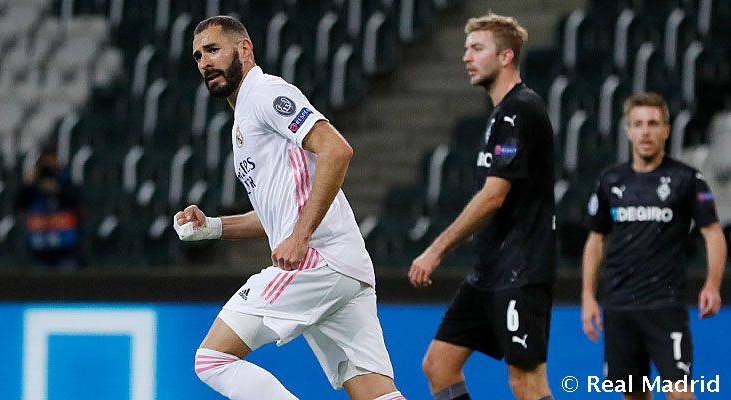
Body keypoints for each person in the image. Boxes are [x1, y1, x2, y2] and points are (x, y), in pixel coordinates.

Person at [176, 15, 406, 400]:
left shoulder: (264, 93)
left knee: (212, 359)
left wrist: (300, 237)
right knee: (375, 393)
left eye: (213, 49)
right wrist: (213, 227)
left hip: (316, 260)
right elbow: (276, 214)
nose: (205, 62)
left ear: (245, 49)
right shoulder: (244, 117)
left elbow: (336, 150)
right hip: (343, 266)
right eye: (198, 56)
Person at [408, 13, 556, 400]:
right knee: (439, 365)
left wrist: (436, 249)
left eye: (476, 49)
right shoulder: (499, 114)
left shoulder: (521, 110)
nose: (466, 57)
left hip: (522, 269)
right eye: (466, 49)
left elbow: (494, 195)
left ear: (506, 57)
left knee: (526, 382)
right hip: (491, 268)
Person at [581, 92, 727, 400]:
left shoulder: (686, 179)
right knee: (633, 395)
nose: (645, 132)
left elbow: (713, 233)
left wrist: (713, 285)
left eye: (653, 123)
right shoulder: (610, 180)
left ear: (666, 130)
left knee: (680, 393)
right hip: (619, 306)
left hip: (665, 305)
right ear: (628, 130)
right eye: (638, 124)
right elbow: (596, 239)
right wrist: (588, 296)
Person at [15, 145, 82, 270]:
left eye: (51, 164)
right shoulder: (32, 188)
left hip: (65, 251)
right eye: (44, 165)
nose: (48, 170)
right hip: (37, 252)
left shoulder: (66, 182)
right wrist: (29, 185)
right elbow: (18, 205)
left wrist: (57, 190)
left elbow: (76, 205)